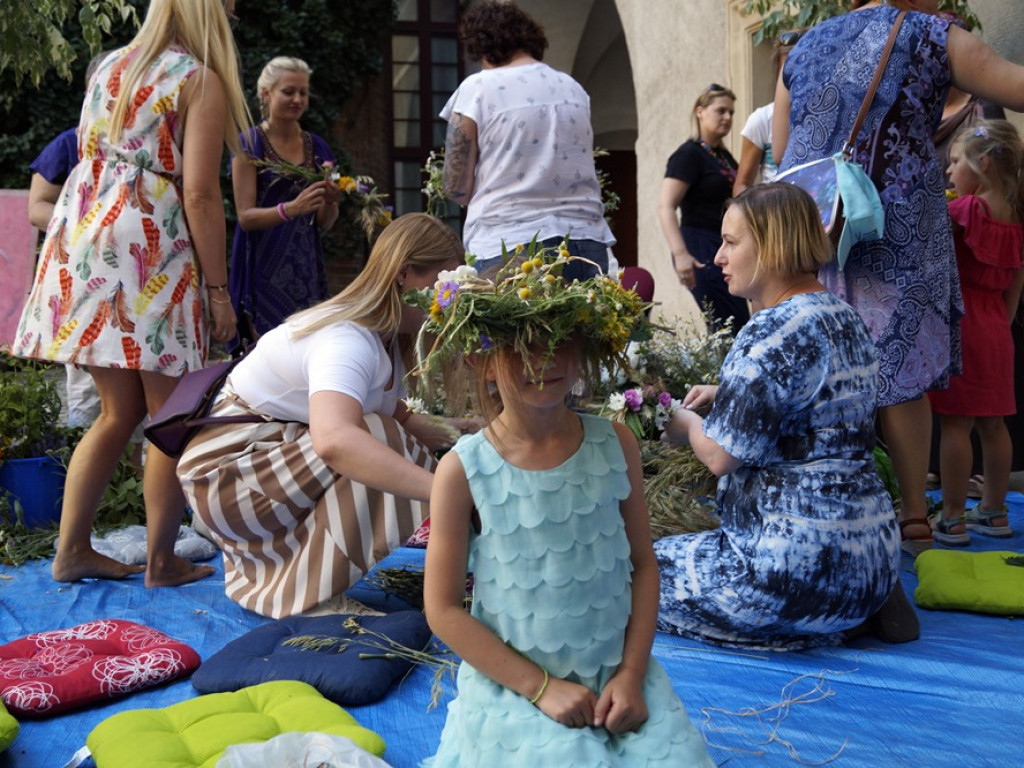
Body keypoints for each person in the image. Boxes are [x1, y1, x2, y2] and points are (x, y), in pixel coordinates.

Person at [418, 253, 713, 765]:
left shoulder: (614, 443)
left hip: (616, 683)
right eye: (522, 345)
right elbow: (443, 610)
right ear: (481, 358)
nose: (545, 360)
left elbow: (643, 566)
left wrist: (630, 674)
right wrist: (540, 688)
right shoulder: (463, 470)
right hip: (518, 691)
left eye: (560, 342)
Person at [773, 0, 1024, 557]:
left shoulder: (805, 46)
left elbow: (784, 152)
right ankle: (914, 517)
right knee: (902, 369)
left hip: (812, 224)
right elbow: (1015, 87)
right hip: (896, 225)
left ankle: (823, 503)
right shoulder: (933, 35)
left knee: (820, 359)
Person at [12, 0, 250, 587]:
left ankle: (71, 552)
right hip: (148, 248)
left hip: (88, 240)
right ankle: (162, 560)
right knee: (170, 417)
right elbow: (198, 195)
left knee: (118, 413)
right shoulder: (199, 79)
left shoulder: (112, 67)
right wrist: (219, 291)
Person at [655, 184, 911, 649]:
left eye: (731, 242)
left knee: (637, 576)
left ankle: (800, 624)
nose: (717, 258)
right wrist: (727, 394)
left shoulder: (770, 328)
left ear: (772, 246)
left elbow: (719, 457)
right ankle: (858, 609)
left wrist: (683, 422)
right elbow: (822, 405)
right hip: (872, 557)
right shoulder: (844, 315)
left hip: (786, 569)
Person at [177, 213, 466, 618]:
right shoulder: (347, 340)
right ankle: (309, 598)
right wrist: (445, 493)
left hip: (260, 470)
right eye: (443, 286)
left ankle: (298, 580)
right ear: (403, 274)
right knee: (378, 442)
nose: (448, 302)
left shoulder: (384, 342)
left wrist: (482, 438)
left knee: (393, 438)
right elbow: (334, 441)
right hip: (226, 481)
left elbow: (411, 424)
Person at [440, 0, 614, 282]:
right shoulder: (574, 89)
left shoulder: (478, 88)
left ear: (483, 47)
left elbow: (455, 187)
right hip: (586, 243)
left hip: (510, 244)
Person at [928, 121, 1023, 544]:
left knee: (954, 426)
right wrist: (999, 325)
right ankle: (994, 511)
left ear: (982, 164)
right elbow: (1014, 289)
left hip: (962, 323)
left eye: (954, 163)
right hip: (998, 330)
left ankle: (951, 518)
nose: (948, 173)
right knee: (995, 425)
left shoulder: (965, 211)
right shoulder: (1017, 218)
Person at [229, 56, 341, 347]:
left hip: (305, 265)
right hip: (262, 265)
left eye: (303, 92)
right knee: (263, 353)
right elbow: (245, 216)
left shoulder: (318, 147)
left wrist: (331, 202)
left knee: (307, 348)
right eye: (288, 91)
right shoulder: (249, 144)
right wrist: (292, 209)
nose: (297, 99)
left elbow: (325, 224)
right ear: (266, 94)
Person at [27, 52, 110, 431]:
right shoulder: (68, 144)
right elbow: (37, 208)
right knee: (84, 380)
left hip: (129, 277)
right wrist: (92, 231)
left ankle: (133, 481)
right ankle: (80, 462)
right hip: (80, 271)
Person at [657, 84, 750, 333]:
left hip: (721, 244)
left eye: (731, 112)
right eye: (721, 111)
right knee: (726, 323)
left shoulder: (723, 156)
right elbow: (666, 206)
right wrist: (680, 254)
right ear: (700, 111)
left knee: (736, 320)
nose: (728, 117)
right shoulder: (688, 155)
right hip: (698, 247)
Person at [732, 30, 802, 196]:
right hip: (774, 213)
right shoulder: (762, 119)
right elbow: (742, 184)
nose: (792, 79)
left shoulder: (826, 112)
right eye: (786, 73)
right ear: (777, 74)